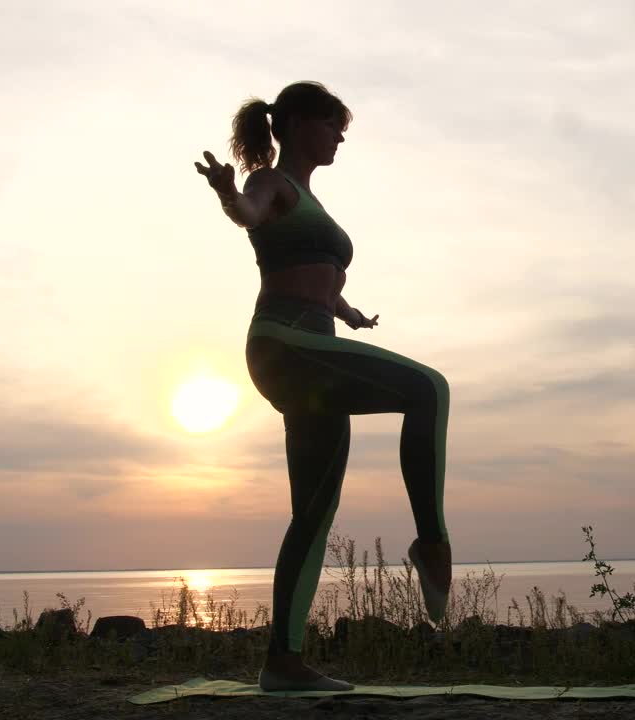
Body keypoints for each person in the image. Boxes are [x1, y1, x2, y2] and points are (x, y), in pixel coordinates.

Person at [194, 81, 453, 692]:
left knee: (312, 512)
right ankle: (432, 545)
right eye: (333, 123)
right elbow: (249, 213)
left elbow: (316, 279)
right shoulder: (271, 183)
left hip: (315, 353)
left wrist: (349, 313)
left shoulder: (309, 199)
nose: (340, 136)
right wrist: (229, 194)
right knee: (427, 389)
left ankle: (282, 663)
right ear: (296, 124)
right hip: (286, 345)